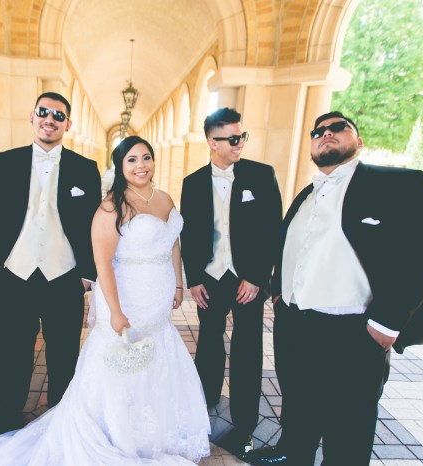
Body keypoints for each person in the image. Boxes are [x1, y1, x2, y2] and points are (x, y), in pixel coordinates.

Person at [0, 135, 210, 465]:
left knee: (156, 363)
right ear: (120, 166)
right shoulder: (111, 207)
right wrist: (115, 312)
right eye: (131, 160)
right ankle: (115, 431)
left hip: (158, 305)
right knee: (117, 368)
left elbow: (172, 242)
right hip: (127, 300)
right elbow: (103, 263)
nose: (141, 165)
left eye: (146, 158)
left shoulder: (165, 198)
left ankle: (153, 429)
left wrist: (178, 284)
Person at [248, 111, 423, 466]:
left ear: (358, 141)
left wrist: (388, 320)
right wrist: (279, 294)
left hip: (353, 330)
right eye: (318, 132)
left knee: (348, 427)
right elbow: (288, 247)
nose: (326, 133)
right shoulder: (306, 195)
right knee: (298, 404)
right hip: (295, 324)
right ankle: (293, 454)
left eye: (337, 128)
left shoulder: (399, 184)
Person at [0, 92, 101, 439]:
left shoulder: (85, 168)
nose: (50, 119)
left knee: (64, 354)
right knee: (11, 353)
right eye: (44, 112)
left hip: (65, 278)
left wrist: (86, 277)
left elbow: (93, 225)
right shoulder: (4, 162)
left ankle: (61, 416)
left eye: (58, 115)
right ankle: (7, 416)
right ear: (32, 116)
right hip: (13, 276)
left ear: (68, 124)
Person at [180, 107, 282, 457]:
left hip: (246, 281)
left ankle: (245, 422)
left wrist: (257, 278)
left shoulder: (262, 175)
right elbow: (190, 235)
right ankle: (205, 402)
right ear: (213, 142)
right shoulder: (192, 183)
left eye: (242, 136)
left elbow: (273, 230)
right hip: (210, 278)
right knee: (208, 342)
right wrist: (194, 279)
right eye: (233, 138)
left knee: (247, 349)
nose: (240, 143)